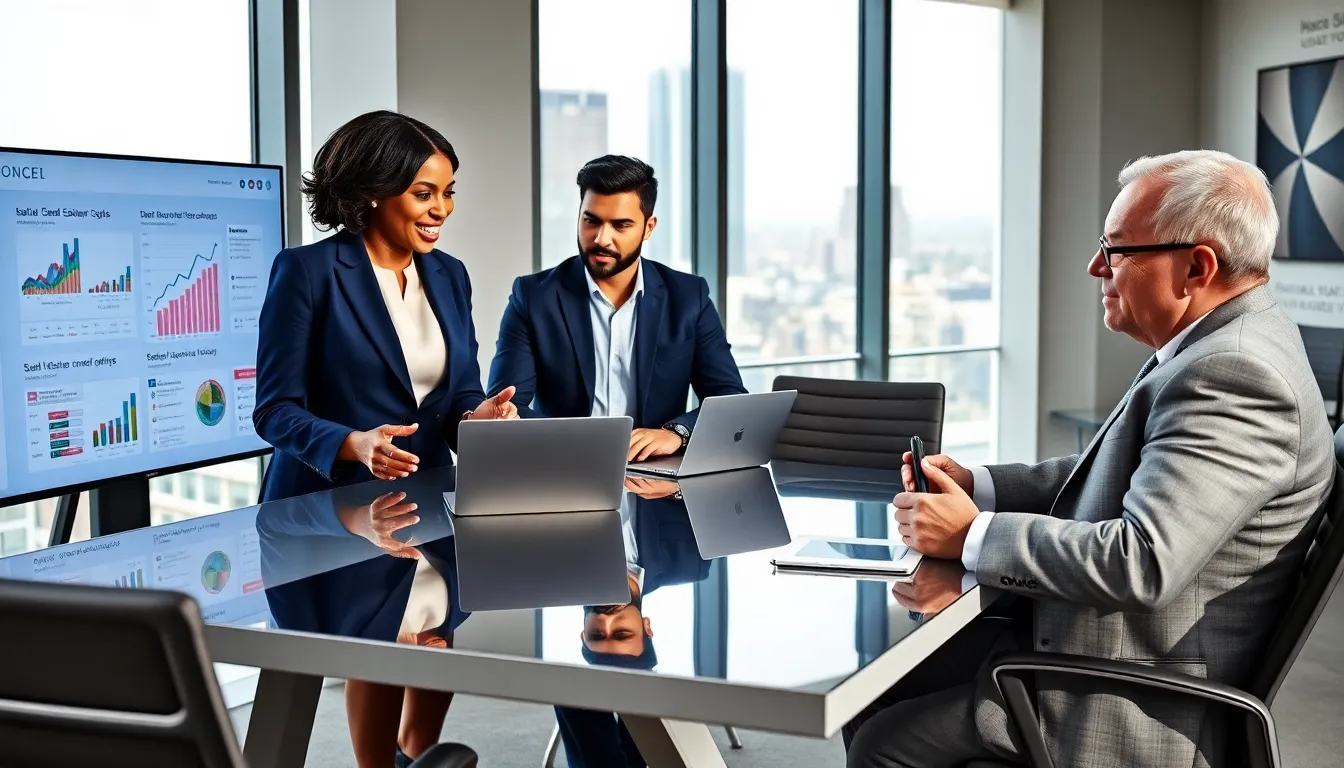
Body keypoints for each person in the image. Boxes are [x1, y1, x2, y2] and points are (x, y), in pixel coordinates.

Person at [846, 149, 1335, 768]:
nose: (1094, 266)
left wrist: (973, 535)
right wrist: (983, 484)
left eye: (1117, 250)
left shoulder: (1234, 373)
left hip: (1129, 694)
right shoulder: (1221, 339)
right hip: (1100, 645)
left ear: (1196, 267)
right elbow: (1118, 474)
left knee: (882, 744)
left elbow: (1141, 563)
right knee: (880, 685)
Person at [252, 109, 517, 768]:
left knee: (435, 623)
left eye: (449, 191)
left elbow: (453, 394)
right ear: (373, 191)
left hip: (430, 504)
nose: (442, 209)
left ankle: (419, 755)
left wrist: (475, 419)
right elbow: (273, 409)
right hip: (334, 514)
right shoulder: (309, 272)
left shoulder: (449, 276)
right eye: (424, 192)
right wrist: (352, 443)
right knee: (382, 635)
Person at [486, 154, 746, 461]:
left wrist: (677, 434)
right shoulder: (532, 297)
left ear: (648, 227)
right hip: (563, 471)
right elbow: (506, 405)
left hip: (656, 481)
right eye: (591, 221)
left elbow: (730, 401)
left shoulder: (689, 298)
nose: (601, 238)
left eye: (620, 225)